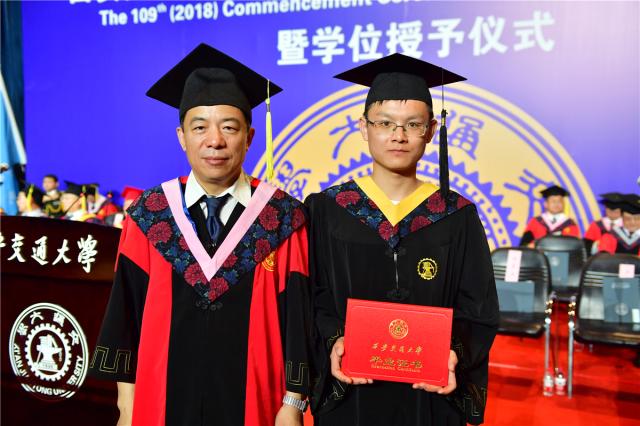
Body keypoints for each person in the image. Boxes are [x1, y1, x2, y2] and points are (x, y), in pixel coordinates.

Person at [89, 43, 312, 426]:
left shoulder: (281, 217)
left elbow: (299, 320)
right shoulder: (150, 214)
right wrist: (127, 405)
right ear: (181, 136)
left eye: (229, 127)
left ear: (249, 136)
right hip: (162, 404)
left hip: (256, 405)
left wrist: (292, 403)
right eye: (199, 127)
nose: (215, 140)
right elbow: (126, 315)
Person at [306, 54, 499, 426]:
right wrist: (334, 340)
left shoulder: (456, 215)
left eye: (413, 124)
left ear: (430, 130)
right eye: (385, 123)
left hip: (430, 396)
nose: (398, 135)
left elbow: (479, 307)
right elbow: (313, 296)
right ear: (363, 128)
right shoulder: (327, 210)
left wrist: (454, 353)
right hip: (351, 393)